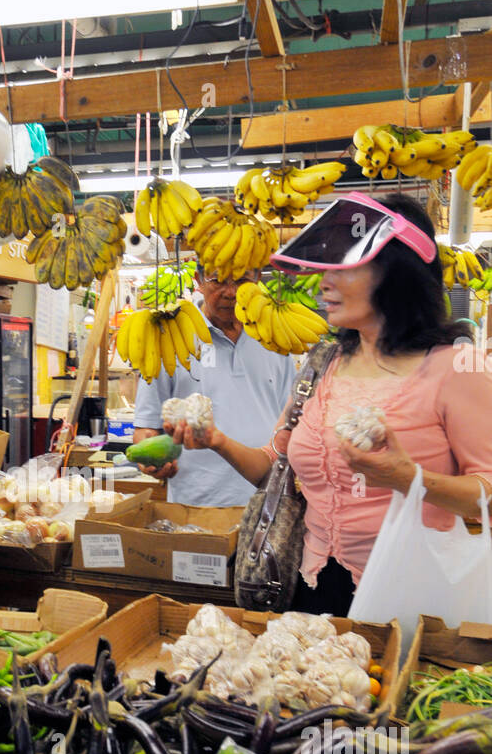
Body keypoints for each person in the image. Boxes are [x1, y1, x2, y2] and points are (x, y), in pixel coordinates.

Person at [165, 193, 492, 616]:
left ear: (396, 276)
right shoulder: (324, 365)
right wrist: (216, 441)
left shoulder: (456, 369)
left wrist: (405, 477)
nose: (324, 283)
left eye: (347, 267)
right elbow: (273, 466)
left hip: (409, 596)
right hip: (310, 588)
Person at [132, 265, 296, 506]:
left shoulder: (275, 339)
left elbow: (291, 428)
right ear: (198, 280)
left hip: (268, 505)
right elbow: (146, 427)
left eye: (242, 280)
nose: (230, 292)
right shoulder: (169, 339)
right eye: (218, 281)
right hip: (195, 507)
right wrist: (150, 458)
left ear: (258, 279)